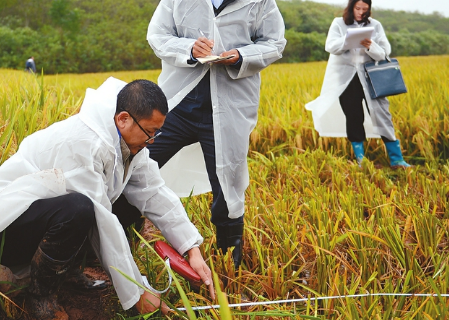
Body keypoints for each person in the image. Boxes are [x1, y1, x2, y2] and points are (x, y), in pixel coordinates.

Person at [0, 77, 215, 319]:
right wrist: (138, 293)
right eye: (150, 132)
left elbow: (154, 192)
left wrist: (191, 249)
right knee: (79, 208)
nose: (151, 141)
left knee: (125, 206)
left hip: (46, 216)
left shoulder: (128, 140)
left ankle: (67, 272)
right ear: (123, 119)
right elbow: (103, 222)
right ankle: (40, 295)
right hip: (10, 227)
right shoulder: (84, 144)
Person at [146, 0, 286, 269]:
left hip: (229, 105)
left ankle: (228, 257)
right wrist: (189, 48)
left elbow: (274, 43)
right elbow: (157, 34)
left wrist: (241, 55)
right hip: (179, 102)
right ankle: (119, 227)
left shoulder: (261, 1)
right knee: (140, 161)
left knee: (228, 182)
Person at [305, 0, 411, 168]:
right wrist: (348, 40)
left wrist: (371, 46)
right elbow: (330, 46)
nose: (361, 12)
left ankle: (397, 159)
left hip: (371, 77)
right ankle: (361, 160)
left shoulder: (375, 25)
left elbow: (385, 52)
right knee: (353, 116)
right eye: (358, 8)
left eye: (365, 9)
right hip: (347, 78)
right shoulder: (339, 23)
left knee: (382, 114)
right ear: (351, 7)